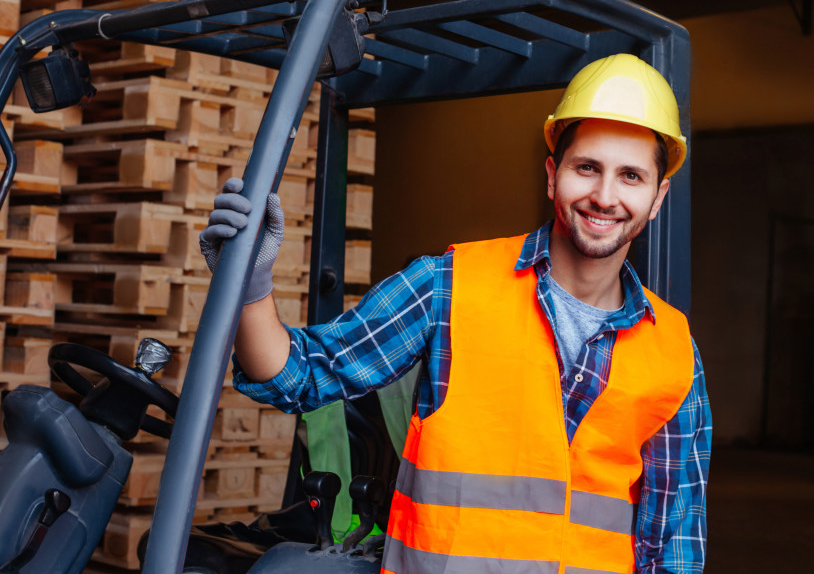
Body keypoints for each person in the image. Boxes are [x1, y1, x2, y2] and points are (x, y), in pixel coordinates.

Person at [200, 53, 712, 573]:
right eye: (588, 168)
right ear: (553, 175)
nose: (605, 196)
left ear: (657, 197)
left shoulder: (672, 349)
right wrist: (250, 283)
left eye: (631, 176)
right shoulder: (448, 285)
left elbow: (672, 545)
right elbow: (300, 375)